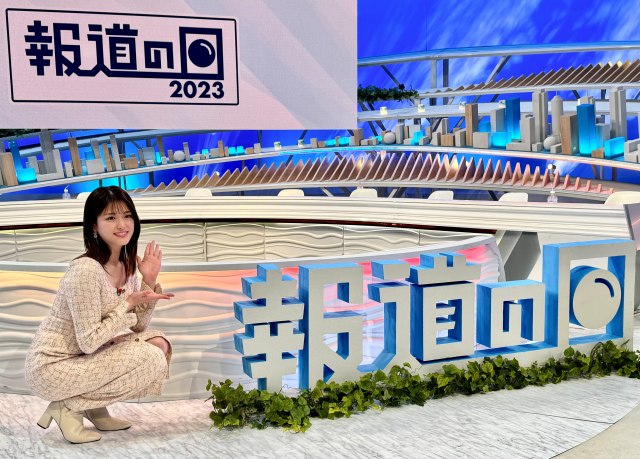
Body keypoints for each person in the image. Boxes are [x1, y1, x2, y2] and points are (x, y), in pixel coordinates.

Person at [24, 186, 174, 444]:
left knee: (158, 343)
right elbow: (89, 341)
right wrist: (127, 304)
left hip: (84, 359)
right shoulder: (85, 270)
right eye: (111, 217)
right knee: (150, 357)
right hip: (53, 366)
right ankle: (67, 408)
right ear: (94, 225)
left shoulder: (126, 266)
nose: (122, 224)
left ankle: (92, 408)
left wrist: (148, 280)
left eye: (127, 215)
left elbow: (138, 327)